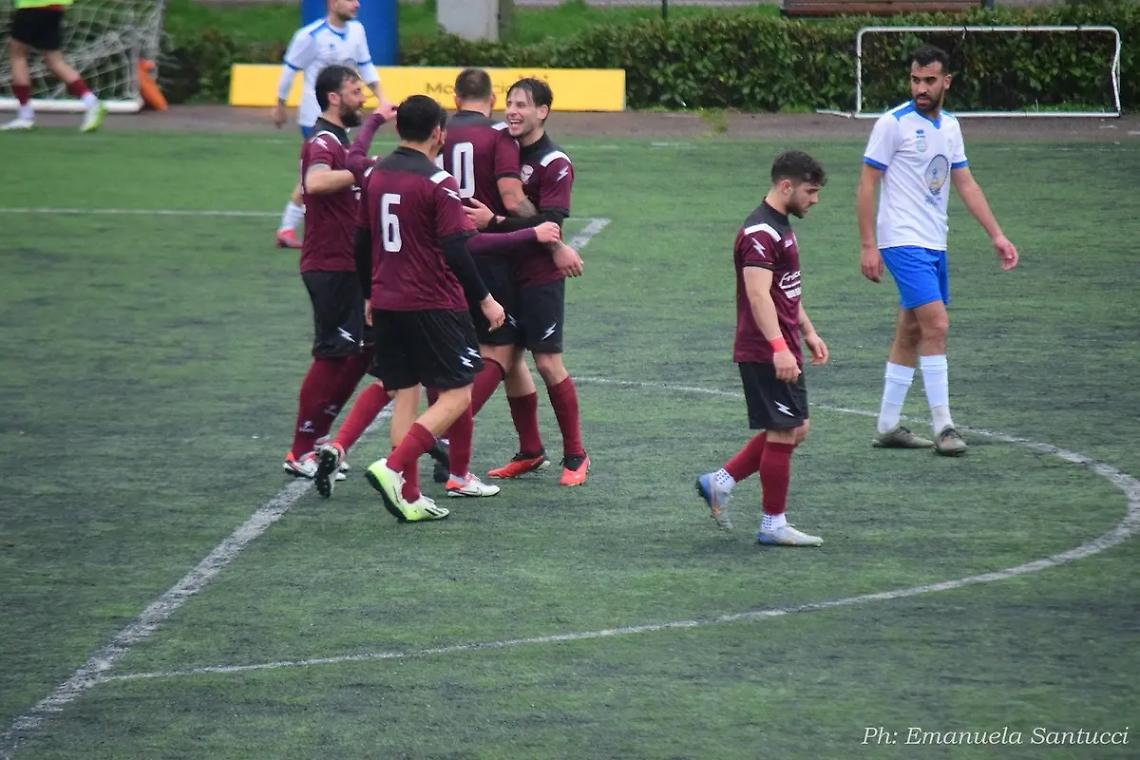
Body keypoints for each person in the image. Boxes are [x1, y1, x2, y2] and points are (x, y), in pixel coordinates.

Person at [857, 44, 1019, 456]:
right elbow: (867, 184)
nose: (921, 88)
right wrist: (869, 245)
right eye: (915, 80)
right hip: (901, 240)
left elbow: (965, 182)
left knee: (911, 330)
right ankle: (944, 426)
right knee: (937, 325)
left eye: (929, 80)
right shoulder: (893, 124)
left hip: (934, 241)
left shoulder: (950, 127)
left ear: (946, 81)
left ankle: (887, 425)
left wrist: (997, 235)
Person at [358, 94, 506, 523]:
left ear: (398, 127)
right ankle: (393, 467)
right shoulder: (439, 182)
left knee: (405, 395)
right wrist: (486, 299)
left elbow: (361, 240)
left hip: (386, 300)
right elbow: (457, 249)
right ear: (439, 133)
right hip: (431, 303)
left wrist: (368, 293)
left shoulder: (375, 173)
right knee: (457, 395)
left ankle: (410, 496)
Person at [438, 67, 582, 497]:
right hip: (504, 270)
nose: (513, 111)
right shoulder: (502, 142)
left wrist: (496, 222)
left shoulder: (555, 163)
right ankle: (530, 450)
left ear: (544, 111)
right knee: (508, 359)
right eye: (510, 103)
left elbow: (549, 224)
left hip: (538, 275)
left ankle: (576, 455)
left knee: (546, 362)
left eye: (522, 105)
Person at [695, 151, 829, 546]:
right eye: (810, 192)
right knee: (785, 431)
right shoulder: (760, 233)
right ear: (786, 186)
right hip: (765, 349)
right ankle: (773, 524)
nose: (814, 200)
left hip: (783, 342)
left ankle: (720, 482)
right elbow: (758, 295)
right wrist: (778, 348)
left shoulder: (780, 226)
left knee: (795, 427)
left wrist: (807, 331)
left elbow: (784, 290)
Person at [282, 65, 394, 485]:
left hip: (351, 265)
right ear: (333, 97)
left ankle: (319, 438)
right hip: (330, 265)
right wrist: (365, 170)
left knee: (363, 352)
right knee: (331, 354)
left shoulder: (340, 140)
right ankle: (300, 449)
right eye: (355, 90)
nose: (362, 97)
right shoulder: (322, 141)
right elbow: (314, 183)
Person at [272, 0, 389, 250]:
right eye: (349, 0)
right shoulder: (310, 36)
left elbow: (366, 65)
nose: (357, 4)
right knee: (321, 172)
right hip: (316, 116)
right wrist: (280, 104)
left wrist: (383, 99)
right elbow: (290, 70)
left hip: (343, 115)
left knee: (329, 170)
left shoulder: (357, 30)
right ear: (333, 3)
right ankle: (289, 226)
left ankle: (295, 226)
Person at [2, 0, 105, 132]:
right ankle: (91, 102)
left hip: (31, 6)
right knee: (54, 61)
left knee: (17, 55)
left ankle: (25, 116)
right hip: (55, 7)